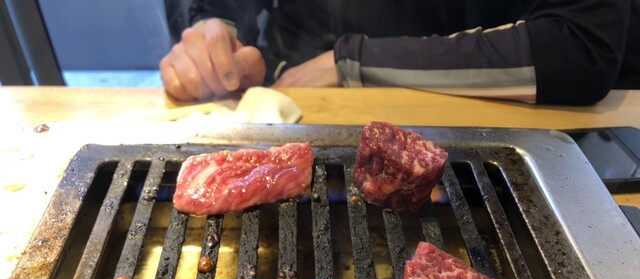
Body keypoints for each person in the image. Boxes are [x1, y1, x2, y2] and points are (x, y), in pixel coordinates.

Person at [160, 0, 640, 105]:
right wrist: (211, 29)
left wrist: (351, 63)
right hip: (284, 98)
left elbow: (580, 46)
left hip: (468, 115)